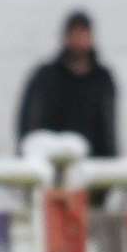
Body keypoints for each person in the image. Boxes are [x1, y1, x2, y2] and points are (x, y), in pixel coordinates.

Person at [17, 10, 117, 159]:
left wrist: (110, 159)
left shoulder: (102, 79)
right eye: (75, 34)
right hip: (49, 160)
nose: (79, 40)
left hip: (91, 161)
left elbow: (107, 126)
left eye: (83, 34)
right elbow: (30, 120)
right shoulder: (46, 76)